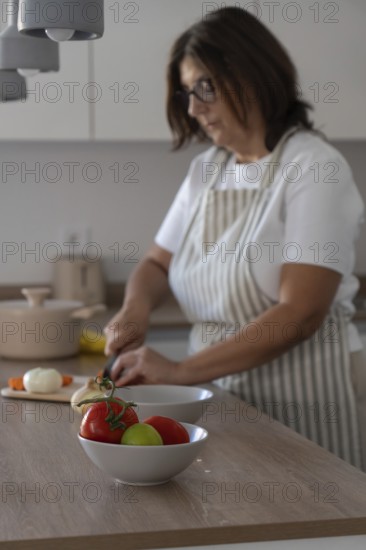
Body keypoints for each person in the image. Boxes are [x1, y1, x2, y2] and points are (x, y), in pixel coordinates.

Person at [103, 7, 365, 470]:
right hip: (221, 400)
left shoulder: (313, 167)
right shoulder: (207, 171)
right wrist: (134, 309)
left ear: (254, 74)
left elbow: (301, 312)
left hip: (306, 401)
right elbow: (157, 264)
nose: (194, 108)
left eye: (206, 87)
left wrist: (180, 371)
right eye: (187, 93)